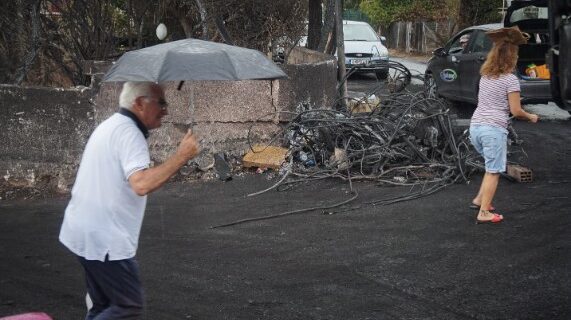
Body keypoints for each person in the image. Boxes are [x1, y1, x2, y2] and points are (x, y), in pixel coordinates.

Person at [59, 81, 200, 318]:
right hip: (105, 239)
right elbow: (141, 184)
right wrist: (181, 156)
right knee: (127, 306)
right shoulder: (130, 133)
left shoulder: (112, 125)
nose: (165, 110)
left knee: (103, 305)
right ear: (139, 103)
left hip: (85, 231)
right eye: (161, 103)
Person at [469, 26, 538, 224]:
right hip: (493, 129)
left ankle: (480, 200)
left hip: (476, 128)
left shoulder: (485, 77)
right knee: (494, 171)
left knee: (490, 166)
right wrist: (531, 116)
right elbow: (516, 111)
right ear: (512, 58)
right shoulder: (510, 80)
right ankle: (484, 213)